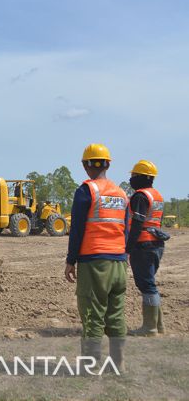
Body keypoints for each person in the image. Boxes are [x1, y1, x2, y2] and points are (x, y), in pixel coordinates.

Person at [64, 143, 128, 369]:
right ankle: (118, 364)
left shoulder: (86, 191)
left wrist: (71, 260)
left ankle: (90, 367)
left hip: (94, 263)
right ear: (108, 164)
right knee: (116, 314)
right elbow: (125, 228)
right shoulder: (121, 193)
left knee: (93, 314)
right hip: (119, 263)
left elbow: (78, 229)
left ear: (85, 165)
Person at [126, 160, 165, 336]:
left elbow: (137, 223)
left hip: (144, 245)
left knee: (147, 284)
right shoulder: (157, 196)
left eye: (133, 176)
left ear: (141, 177)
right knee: (150, 282)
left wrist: (128, 247)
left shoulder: (140, 196)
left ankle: (149, 328)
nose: (131, 179)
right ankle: (158, 325)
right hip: (157, 244)